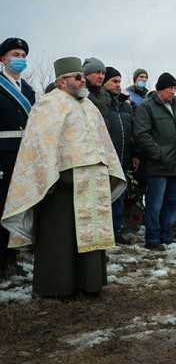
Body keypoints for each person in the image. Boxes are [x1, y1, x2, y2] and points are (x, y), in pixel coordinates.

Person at [1, 57, 125, 298]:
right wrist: (52, 175)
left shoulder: (88, 105)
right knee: (61, 235)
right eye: (77, 77)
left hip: (92, 179)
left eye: (82, 76)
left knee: (91, 237)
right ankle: (57, 287)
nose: (82, 81)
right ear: (62, 81)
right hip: (62, 182)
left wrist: (107, 167)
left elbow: (102, 141)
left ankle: (89, 284)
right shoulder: (49, 104)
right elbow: (40, 145)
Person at [134, 72, 176, 250]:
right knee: (155, 205)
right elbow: (142, 134)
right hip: (157, 166)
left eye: (174, 88)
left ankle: (167, 236)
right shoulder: (147, 107)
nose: (173, 92)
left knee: (173, 204)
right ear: (160, 89)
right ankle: (153, 239)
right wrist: (159, 154)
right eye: (169, 88)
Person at [0, 38, 35, 279]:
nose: (20, 58)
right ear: (3, 58)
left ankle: (11, 259)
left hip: (23, 156)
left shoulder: (30, 91)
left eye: (23, 54)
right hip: (3, 156)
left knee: (17, 208)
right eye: (15, 53)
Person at [103, 66, 135, 245]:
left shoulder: (124, 105)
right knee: (104, 199)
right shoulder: (100, 103)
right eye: (114, 81)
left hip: (122, 159)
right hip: (105, 160)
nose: (118, 85)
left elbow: (131, 132)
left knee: (118, 197)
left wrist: (134, 154)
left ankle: (116, 231)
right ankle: (105, 235)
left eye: (119, 81)